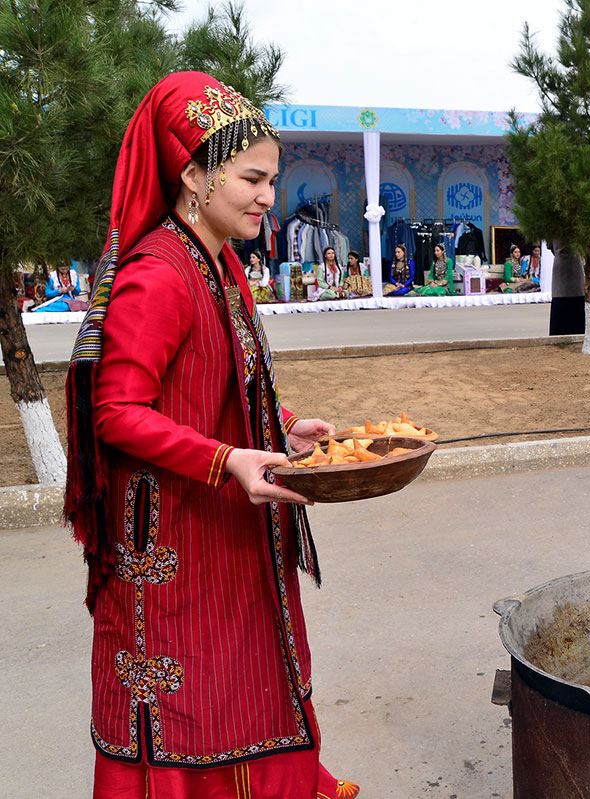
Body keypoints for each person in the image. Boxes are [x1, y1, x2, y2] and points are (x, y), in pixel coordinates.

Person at [62, 71, 358, 798]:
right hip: (176, 545)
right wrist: (225, 459)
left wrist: (285, 428)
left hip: (222, 531)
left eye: (272, 179)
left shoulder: (218, 260)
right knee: (192, 710)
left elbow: (224, 381)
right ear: (194, 174)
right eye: (252, 178)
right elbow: (116, 410)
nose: (268, 196)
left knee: (247, 687)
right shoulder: (157, 276)